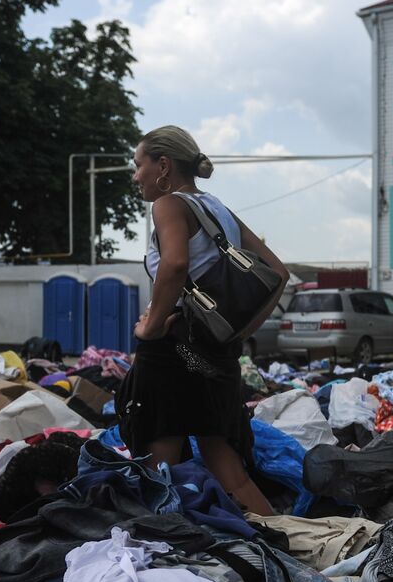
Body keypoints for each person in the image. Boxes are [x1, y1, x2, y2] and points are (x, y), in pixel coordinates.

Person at [120, 125, 288, 516]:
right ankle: (288, 540)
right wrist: (240, 332)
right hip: (216, 353)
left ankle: (171, 544)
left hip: (174, 350)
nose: (135, 175)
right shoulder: (219, 209)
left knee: (160, 460)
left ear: (163, 166)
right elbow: (278, 273)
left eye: (137, 165)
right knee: (224, 458)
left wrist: (150, 325)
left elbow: (175, 264)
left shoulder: (168, 205)